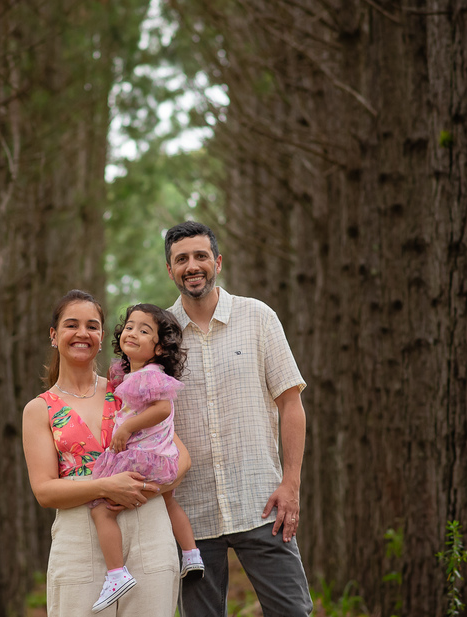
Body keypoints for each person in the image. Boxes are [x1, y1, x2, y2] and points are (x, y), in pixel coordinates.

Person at [164, 221, 312, 616]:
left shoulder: (258, 317)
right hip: (190, 513)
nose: (192, 266)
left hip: (262, 502)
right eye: (182, 259)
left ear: (218, 261)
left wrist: (291, 483)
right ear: (170, 270)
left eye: (200, 256)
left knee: (292, 612)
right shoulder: (162, 334)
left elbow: (291, 404)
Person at [22, 289, 189, 617]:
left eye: (92, 326)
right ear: (54, 336)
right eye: (72, 325)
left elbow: (180, 456)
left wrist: (144, 489)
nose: (82, 333)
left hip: (147, 528)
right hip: (80, 534)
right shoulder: (39, 408)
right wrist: (105, 487)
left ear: (101, 337)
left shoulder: (128, 388)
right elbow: (44, 491)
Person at [87, 304, 203, 612]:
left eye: (144, 330)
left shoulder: (149, 375)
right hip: (162, 459)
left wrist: (126, 427)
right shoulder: (131, 374)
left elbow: (163, 409)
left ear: (160, 347)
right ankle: (191, 554)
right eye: (130, 327)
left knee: (100, 509)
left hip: (143, 460)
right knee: (169, 501)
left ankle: (116, 573)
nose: (133, 333)